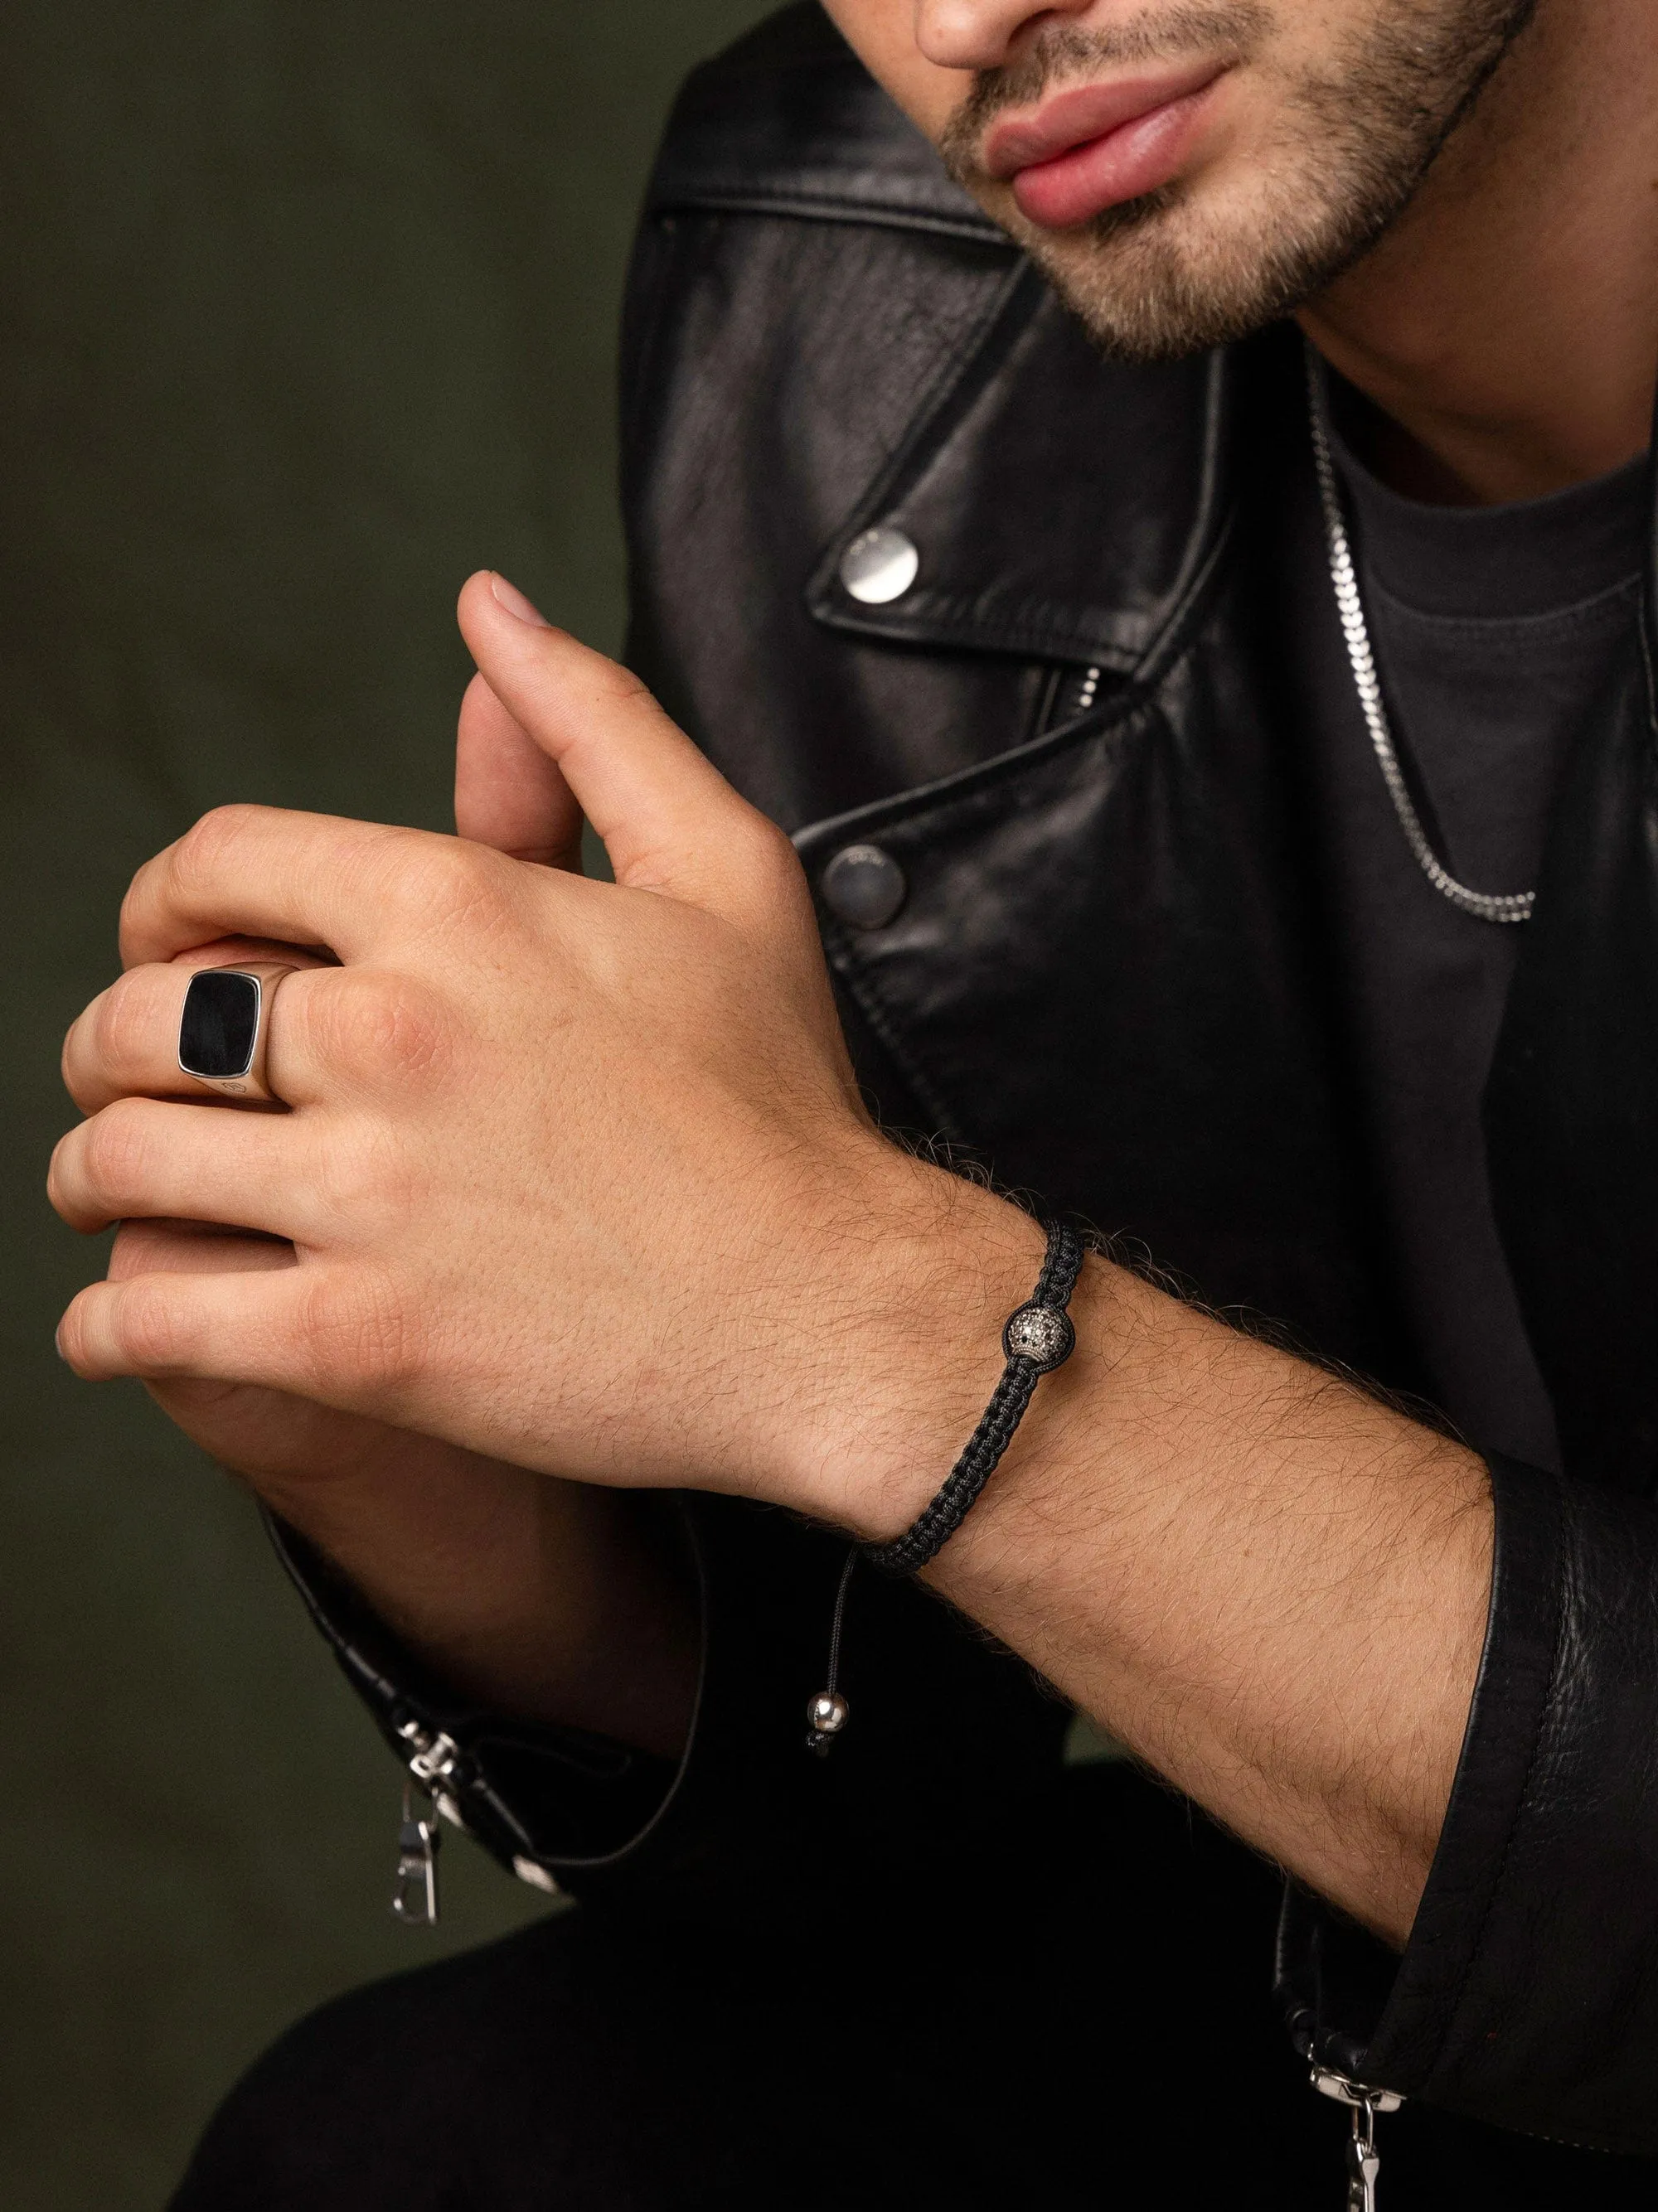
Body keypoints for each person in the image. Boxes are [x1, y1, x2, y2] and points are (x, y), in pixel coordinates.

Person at [48, 0, 1658, 2201]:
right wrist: (457, 1460)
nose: (964, 24)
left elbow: (886, 1339)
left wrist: (851, 1299)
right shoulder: (865, 269)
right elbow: (909, 1790)